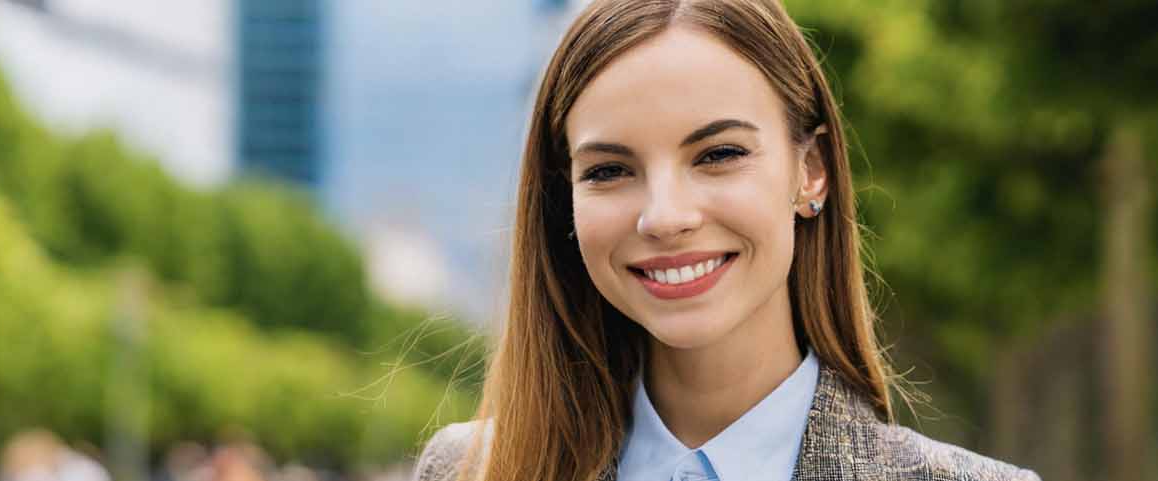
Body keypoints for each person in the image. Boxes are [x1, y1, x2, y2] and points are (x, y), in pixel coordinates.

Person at [413, 0, 1041, 480]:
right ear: (563, 202)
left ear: (811, 170)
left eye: (718, 154)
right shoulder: (466, 471)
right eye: (609, 170)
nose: (664, 216)